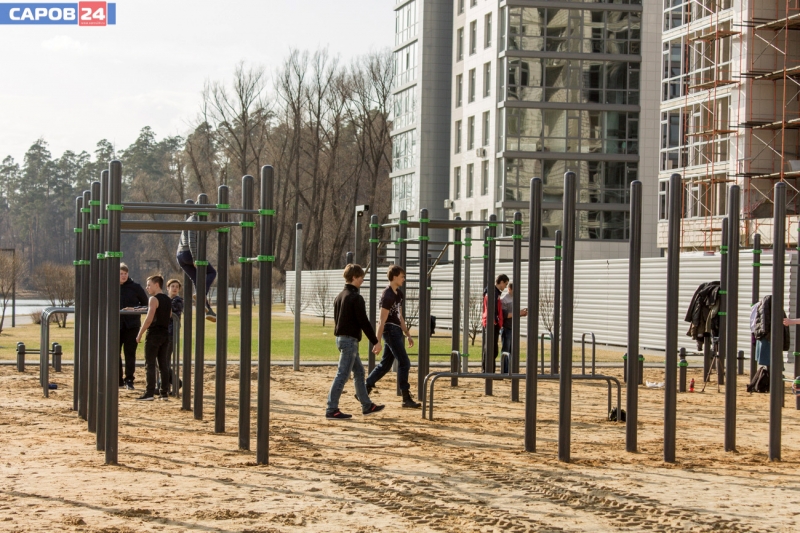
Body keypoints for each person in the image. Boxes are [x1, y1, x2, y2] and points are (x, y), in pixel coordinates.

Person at [326, 264, 385, 419]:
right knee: (343, 375)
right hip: (349, 341)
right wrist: (376, 341)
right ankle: (331, 409)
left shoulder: (339, 296)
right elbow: (364, 322)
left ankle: (367, 405)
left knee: (359, 372)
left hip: (341, 339)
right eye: (360, 277)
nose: (362, 280)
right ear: (354, 277)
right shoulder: (356, 298)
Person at [365, 265, 421, 409]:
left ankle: (365, 389)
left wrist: (407, 334)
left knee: (385, 365)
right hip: (390, 330)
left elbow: (399, 316)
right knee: (404, 362)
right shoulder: (387, 295)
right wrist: (377, 341)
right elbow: (381, 320)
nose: (404, 279)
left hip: (396, 330)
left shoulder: (399, 294)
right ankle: (406, 397)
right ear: (394, 277)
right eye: (402, 276)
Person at [135, 275, 172, 401]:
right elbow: (170, 315)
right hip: (165, 334)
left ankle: (149, 392)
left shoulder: (153, 299)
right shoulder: (168, 299)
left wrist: (140, 333)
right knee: (163, 364)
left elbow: (149, 319)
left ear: (157, 285)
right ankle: (164, 393)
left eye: (149, 285)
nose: (147, 288)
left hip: (154, 334)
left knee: (150, 363)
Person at [176, 210, 217, 322]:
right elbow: (192, 241)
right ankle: (201, 294)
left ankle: (208, 310)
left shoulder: (191, 220)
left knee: (197, 280)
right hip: (188, 253)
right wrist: (195, 258)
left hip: (180, 256)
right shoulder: (194, 220)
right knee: (212, 272)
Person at [119, 263, 148, 389]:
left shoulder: (135, 287)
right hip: (116, 325)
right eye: (121, 274)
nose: (123, 276)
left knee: (130, 353)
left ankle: (129, 379)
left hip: (132, 325)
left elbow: (146, 304)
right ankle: (118, 379)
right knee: (115, 353)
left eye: (125, 273)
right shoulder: (110, 286)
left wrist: (134, 309)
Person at [499, 282, 528, 372]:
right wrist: (519, 313)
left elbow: (513, 314)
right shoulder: (504, 300)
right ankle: (505, 371)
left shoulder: (514, 298)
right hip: (506, 328)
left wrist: (521, 313)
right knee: (506, 350)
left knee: (512, 350)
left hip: (513, 328)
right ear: (509, 289)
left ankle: (511, 370)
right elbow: (505, 315)